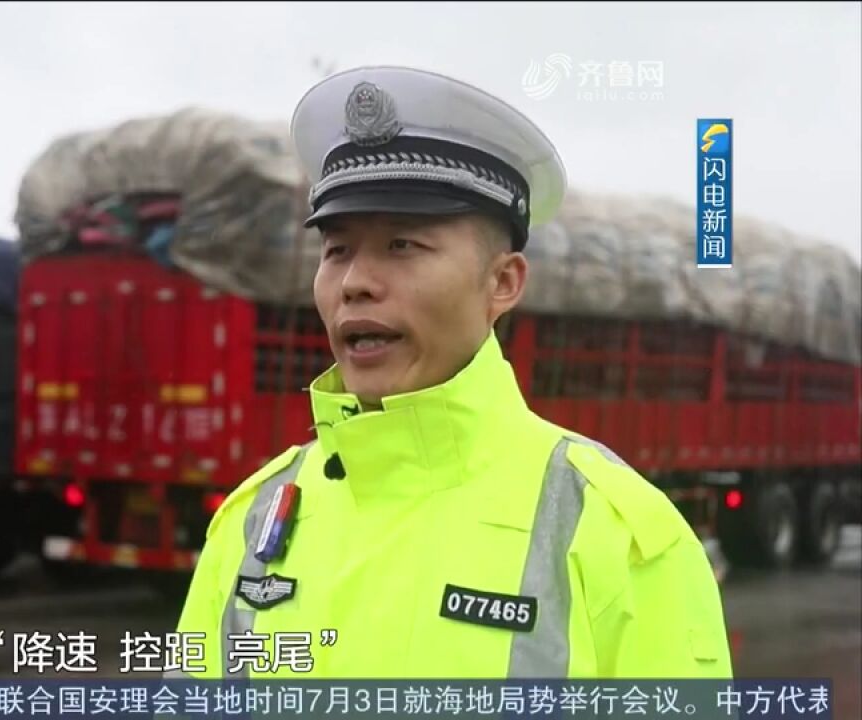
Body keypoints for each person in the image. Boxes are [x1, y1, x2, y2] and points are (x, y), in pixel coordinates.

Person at [173, 66, 732, 679]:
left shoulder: (620, 535)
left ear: (502, 282)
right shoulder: (251, 522)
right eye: (337, 250)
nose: (355, 282)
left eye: (402, 245)